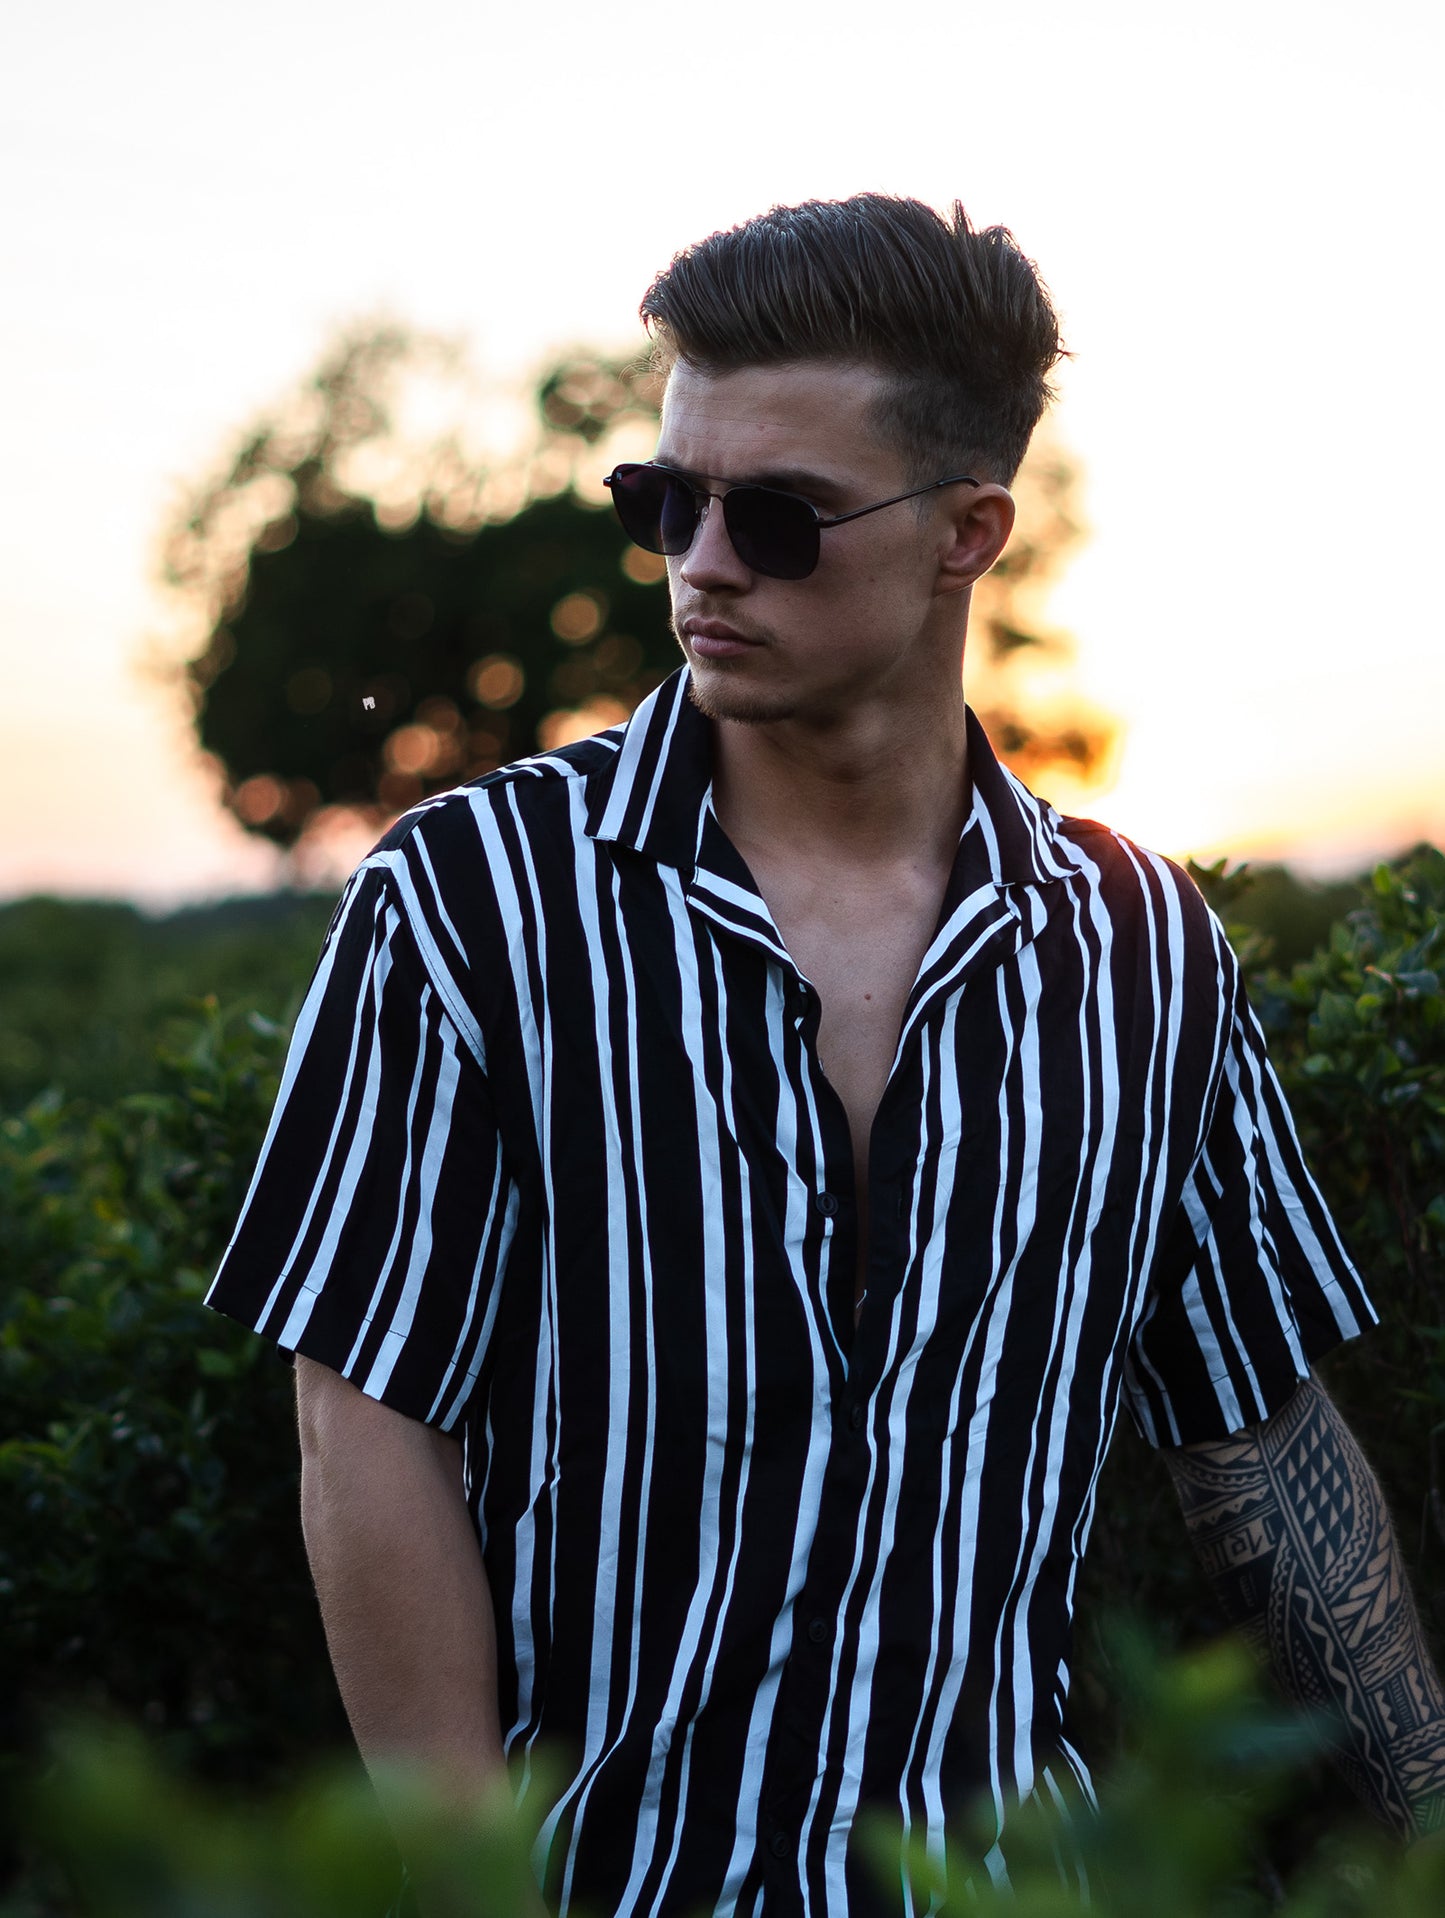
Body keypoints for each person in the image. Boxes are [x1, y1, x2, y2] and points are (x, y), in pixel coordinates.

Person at [205, 194, 1445, 1916]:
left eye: (777, 517)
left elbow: (1256, 1436)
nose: (702, 562)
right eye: (666, 501)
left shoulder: (1142, 951)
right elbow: (364, 1419)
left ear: (966, 531)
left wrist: (1423, 1825)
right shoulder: (470, 901)